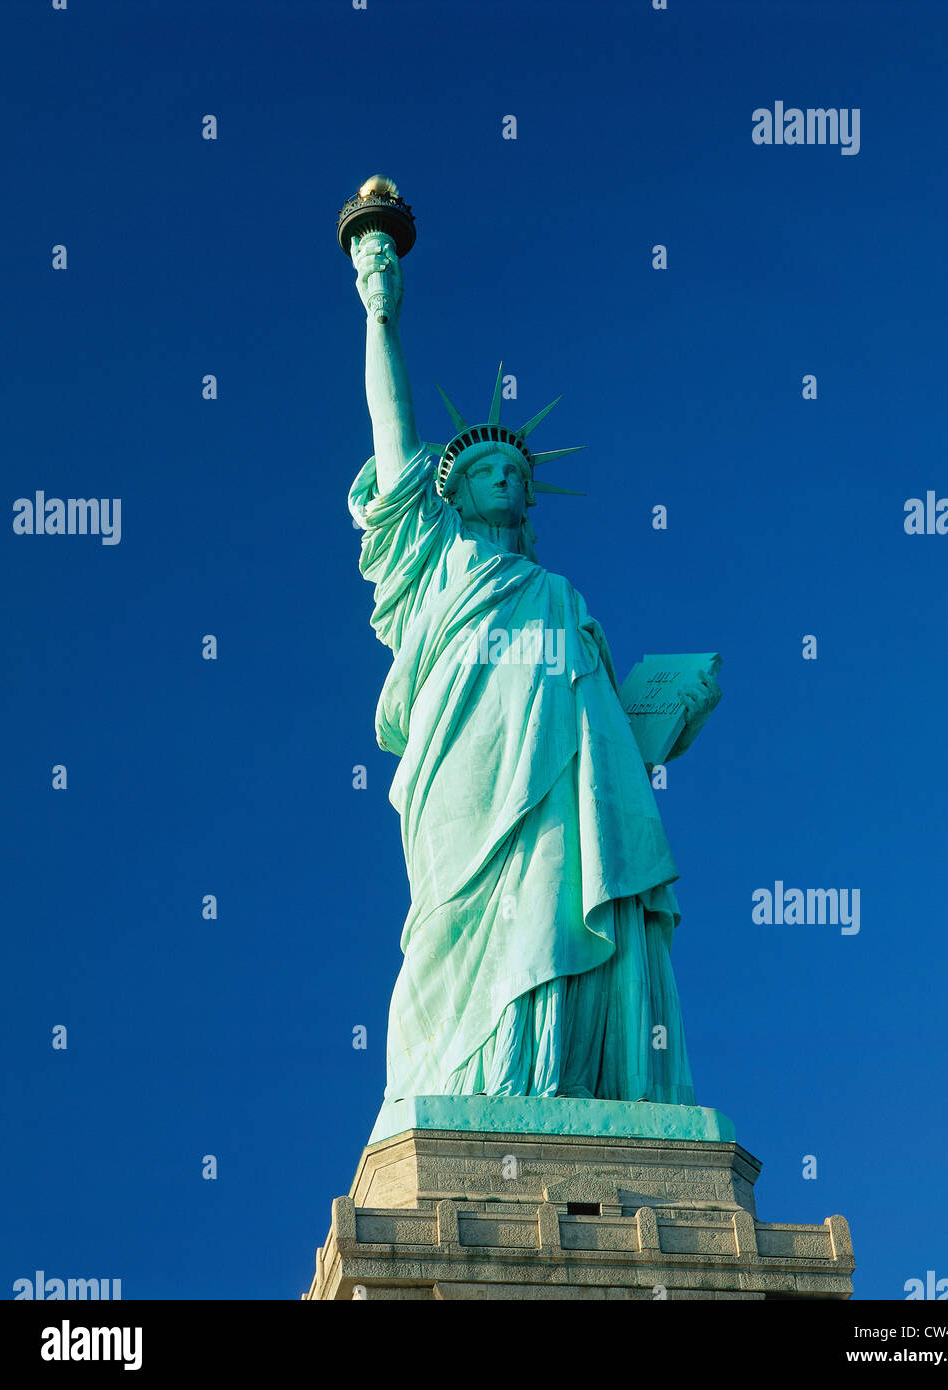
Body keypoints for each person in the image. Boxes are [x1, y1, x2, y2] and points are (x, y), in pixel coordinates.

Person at [348, 231, 695, 1105]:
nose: (501, 476)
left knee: (555, 897)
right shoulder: (433, 563)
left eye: (513, 469)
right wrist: (379, 310)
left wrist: (664, 712)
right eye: (482, 467)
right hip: (461, 775)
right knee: (450, 930)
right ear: (452, 492)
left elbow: (603, 725)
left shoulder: (562, 597)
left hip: (561, 784)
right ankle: (458, 1089)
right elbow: (395, 436)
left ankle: (539, 1081)